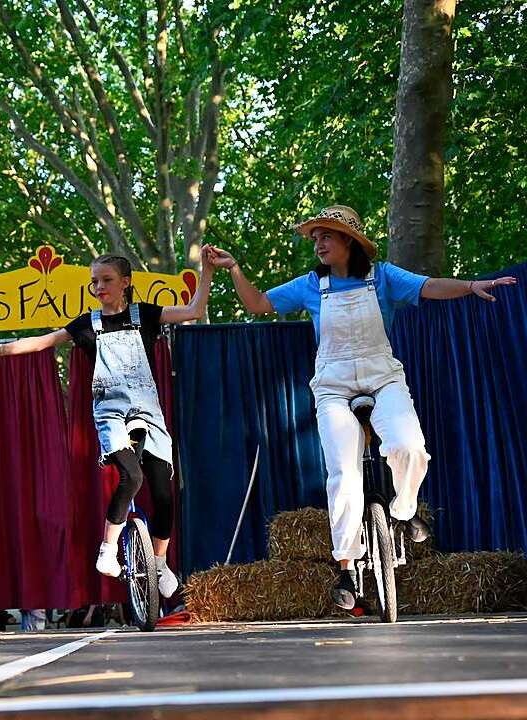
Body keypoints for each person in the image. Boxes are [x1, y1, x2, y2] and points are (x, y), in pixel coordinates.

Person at [206, 204, 517, 609]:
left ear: (349, 241)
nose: (318, 243)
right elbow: (259, 305)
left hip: (382, 377)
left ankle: (404, 510)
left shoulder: (383, 277)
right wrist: (233, 269)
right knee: (344, 472)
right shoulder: (308, 286)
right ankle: (347, 567)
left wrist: (470, 286)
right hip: (333, 386)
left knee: (409, 446)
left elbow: (429, 285)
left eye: (326, 236)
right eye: (315, 237)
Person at [0, 253, 214, 599]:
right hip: (111, 412)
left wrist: (209, 269)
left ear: (125, 282)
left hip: (149, 413)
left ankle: (159, 561)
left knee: (163, 494)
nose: (99, 287)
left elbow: (195, 310)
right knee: (132, 477)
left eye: (106, 280)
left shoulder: (147, 316)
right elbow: (36, 344)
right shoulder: (86, 325)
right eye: (94, 281)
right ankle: (108, 550)